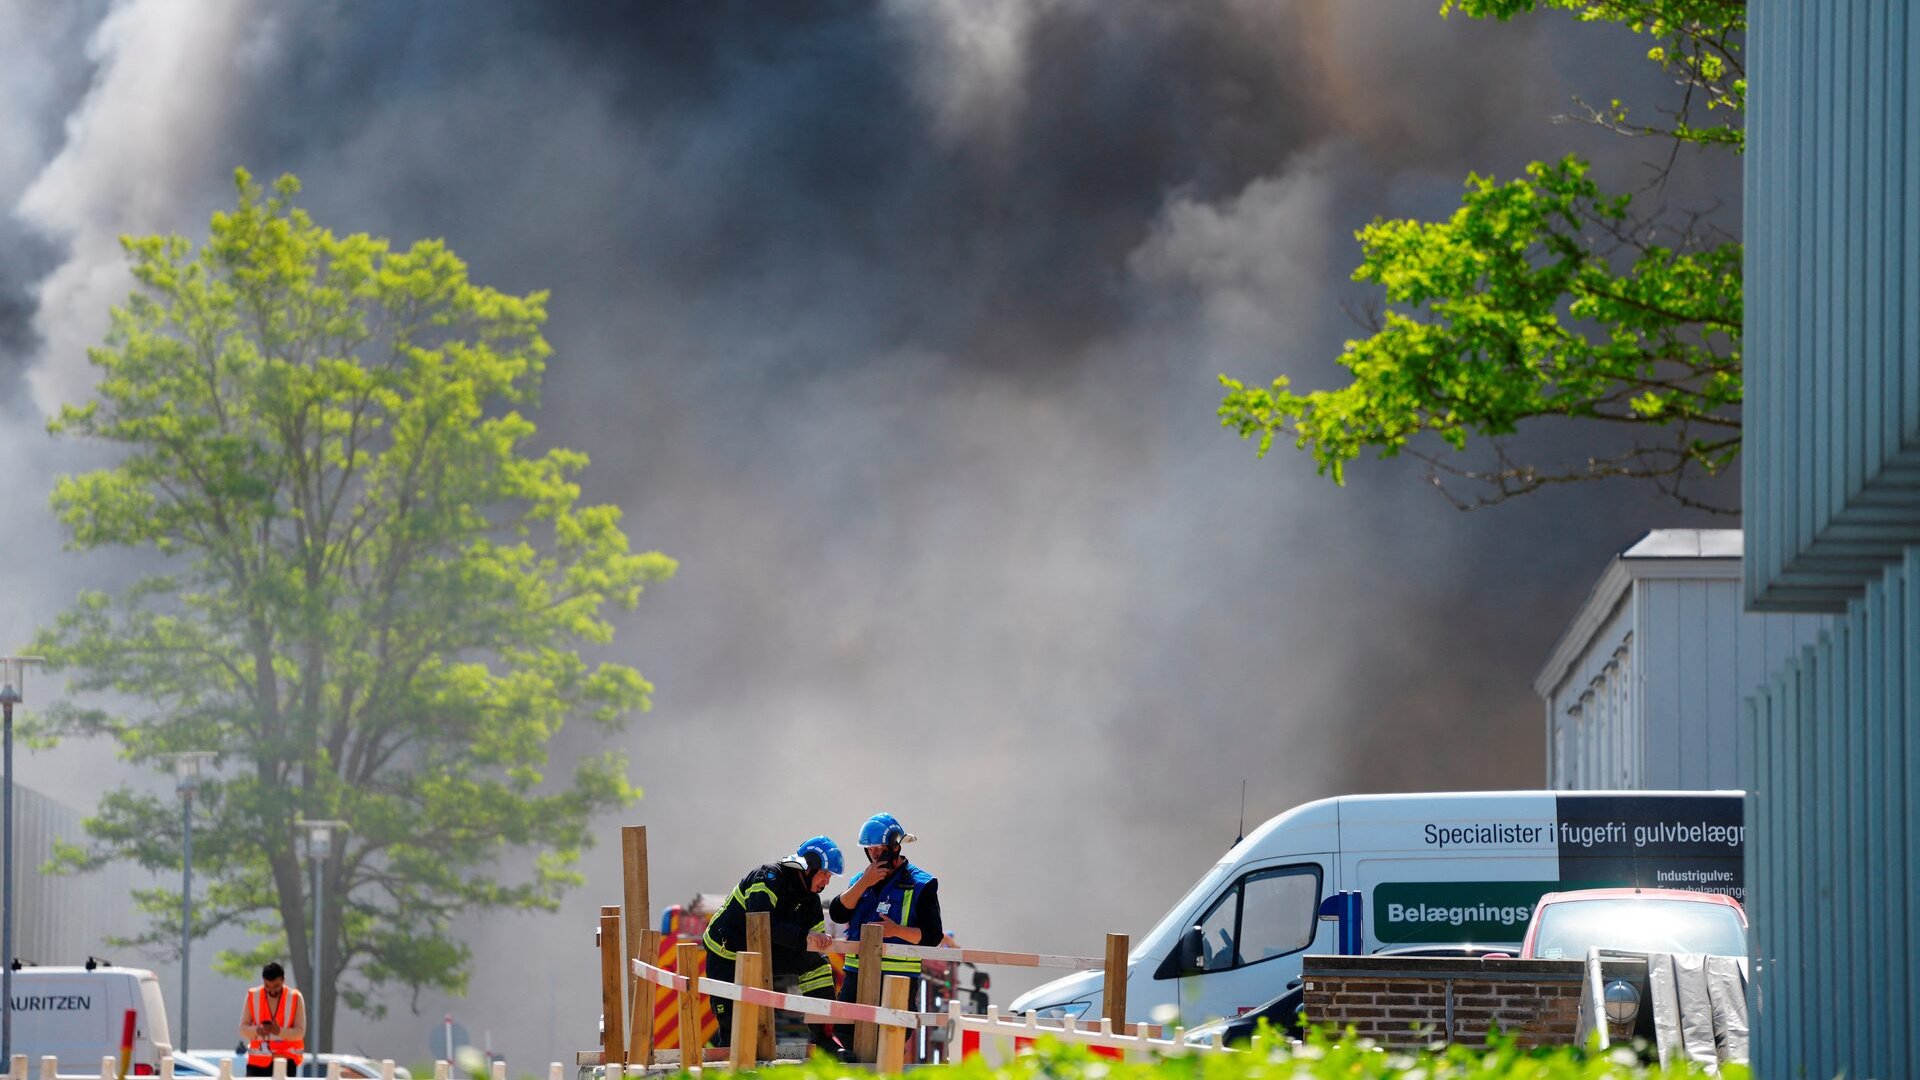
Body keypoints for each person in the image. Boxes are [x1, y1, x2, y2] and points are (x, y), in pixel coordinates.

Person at [701, 835, 847, 1057]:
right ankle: (732, 1067)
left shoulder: (811, 900)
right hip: (728, 954)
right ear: (809, 867)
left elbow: (811, 940)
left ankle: (824, 1036)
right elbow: (760, 924)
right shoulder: (769, 877)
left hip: (765, 951)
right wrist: (804, 937)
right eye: (825, 874)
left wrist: (816, 940)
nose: (827, 882)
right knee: (733, 1025)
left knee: (816, 962)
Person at [829, 812, 942, 1017]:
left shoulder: (921, 884)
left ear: (895, 847)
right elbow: (838, 914)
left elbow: (933, 936)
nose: (873, 855)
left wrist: (896, 931)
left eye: (879, 849)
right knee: (845, 1033)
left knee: (892, 1038)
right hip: (857, 977)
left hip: (898, 981)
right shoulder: (860, 881)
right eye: (870, 849)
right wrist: (864, 882)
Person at [238, 962, 306, 1077]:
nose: (272, 991)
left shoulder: (295, 997)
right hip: (257, 1063)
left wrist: (279, 1031)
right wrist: (257, 1030)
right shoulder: (253, 996)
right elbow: (242, 1029)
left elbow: (300, 1032)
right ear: (263, 981)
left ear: (283, 980)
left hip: (285, 1062)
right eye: (267, 986)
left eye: (276, 986)